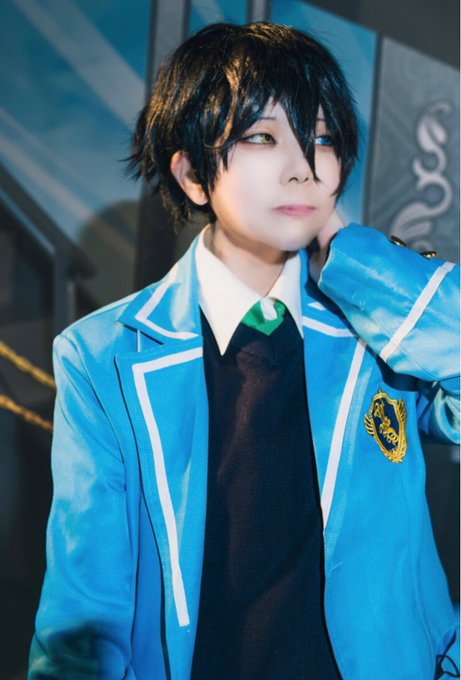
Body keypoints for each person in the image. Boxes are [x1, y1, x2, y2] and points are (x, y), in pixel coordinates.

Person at [29, 22, 459, 680]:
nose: (302, 166)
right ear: (192, 175)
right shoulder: (101, 357)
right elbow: (85, 620)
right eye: (261, 137)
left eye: (321, 138)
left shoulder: (376, 327)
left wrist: (358, 260)